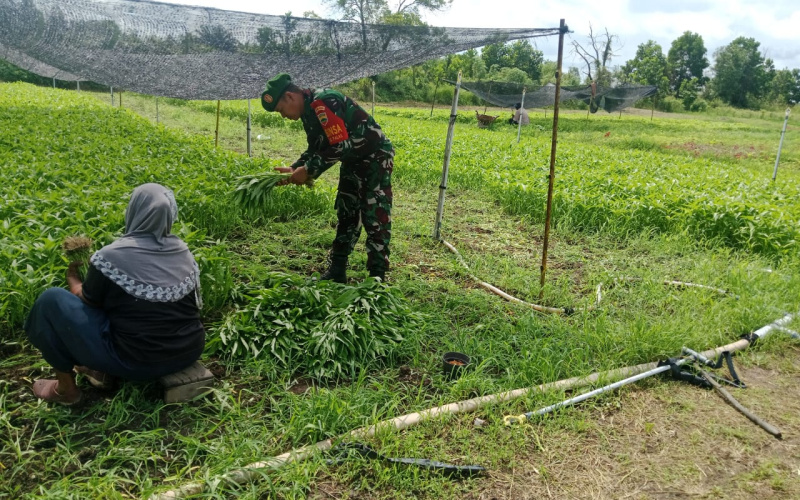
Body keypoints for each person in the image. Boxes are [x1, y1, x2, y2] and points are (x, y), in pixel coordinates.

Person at [25, 183, 205, 405]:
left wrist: (74, 281)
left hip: (136, 362)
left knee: (50, 300)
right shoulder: (182, 251)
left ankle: (66, 390)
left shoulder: (112, 256)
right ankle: (95, 368)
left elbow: (88, 301)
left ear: (134, 211)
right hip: (189, 350)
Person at [261, 73, 393, 283]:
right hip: (353, 159)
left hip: (375, 156)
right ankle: (337, 271)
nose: (283, 116)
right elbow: (317, 147)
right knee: (346, 210)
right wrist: (295, 168)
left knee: (374, 213)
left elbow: (340, 145)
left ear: (289, 97)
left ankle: (377, 279)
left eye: (281, 110)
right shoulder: (308, 112)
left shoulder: (324, 102)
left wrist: (309, 170)